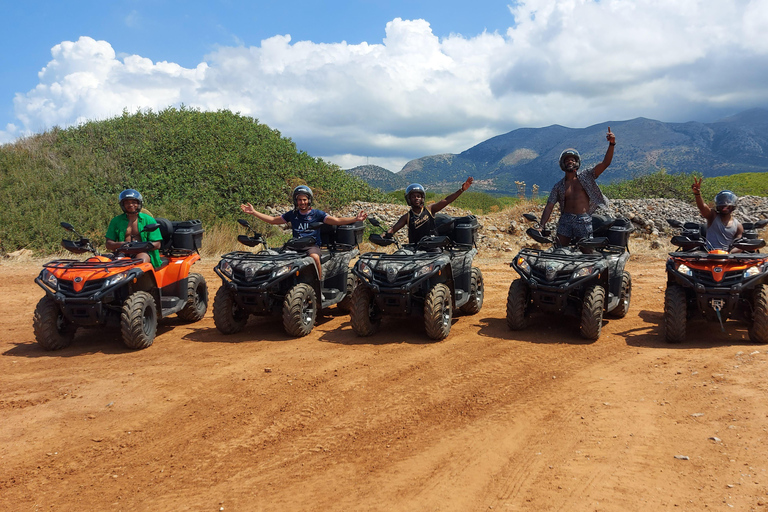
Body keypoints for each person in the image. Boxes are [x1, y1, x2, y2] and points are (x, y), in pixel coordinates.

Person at [240, 185, 367, 280]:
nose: (302, 202)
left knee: (315, 257)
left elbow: (336, 220)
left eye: (304, 199)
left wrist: (355, 219)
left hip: (311, 246)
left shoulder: (317, 214)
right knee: (275, 258)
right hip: (295, 246)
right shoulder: (293, 214)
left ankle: (319, 283)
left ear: (309, 200)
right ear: (296, 201)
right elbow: (273, 220)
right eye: (300, 200)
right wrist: (254, 212)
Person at [539, 128, 616, 247]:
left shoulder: (586, 176)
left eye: (573, 160)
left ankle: (592, 266)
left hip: (583, 220)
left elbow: (605, 163)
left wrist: (612, 144)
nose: (570, 161)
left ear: (577, 163)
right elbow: (549, 206)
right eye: (567, 160)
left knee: (586, 250)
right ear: (563, 164)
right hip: (565, 220)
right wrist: (541, 226)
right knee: (559, 250)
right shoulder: (558, 186)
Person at [386, 177, 474, 243]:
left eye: (418, 196)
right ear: (409, 199)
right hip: (415, 249)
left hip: (432, 246)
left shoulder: (430, 209)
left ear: (422, 198)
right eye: (413, 196)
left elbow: (446, 200)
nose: (416, 198)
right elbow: (393, 229)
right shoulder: (407, 217)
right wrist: (384, 235)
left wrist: (461, 190)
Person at [105, 189, 163, 268]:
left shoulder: (148, 220)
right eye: (127, 203)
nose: (130, 205)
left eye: (134, 202)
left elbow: (157, 244)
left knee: (140, 263)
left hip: (143, 252)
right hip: (122, 252)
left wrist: (138, 246)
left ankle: (142, 280)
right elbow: (108, 244)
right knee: (99, 260)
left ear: (139, 203)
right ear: (122, 205)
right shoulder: (116, 221)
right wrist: (121, 244)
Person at [691, 178, 743, 252]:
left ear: (733, 205)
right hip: (709, 254)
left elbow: (739, 245)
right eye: (722, 201)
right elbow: (702, 207)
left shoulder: (738, 226)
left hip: (728, 258)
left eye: (727, 201)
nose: (725, 204)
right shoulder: (712, 216)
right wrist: (697, 194)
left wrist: (729, 254)